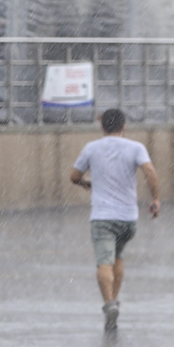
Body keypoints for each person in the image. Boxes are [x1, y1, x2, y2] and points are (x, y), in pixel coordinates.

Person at [69, 108, 161, 330]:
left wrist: (86, 183)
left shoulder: (92, 148)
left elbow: (73, 176)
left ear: (102, 127)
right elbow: (149, 171)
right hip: (128, 217)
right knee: (117, 256)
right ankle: (115, 302)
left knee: (104, 262)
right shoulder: (135, 148)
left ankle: (109, 303)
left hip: (102, 217)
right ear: (124, 126)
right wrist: (156, 198)